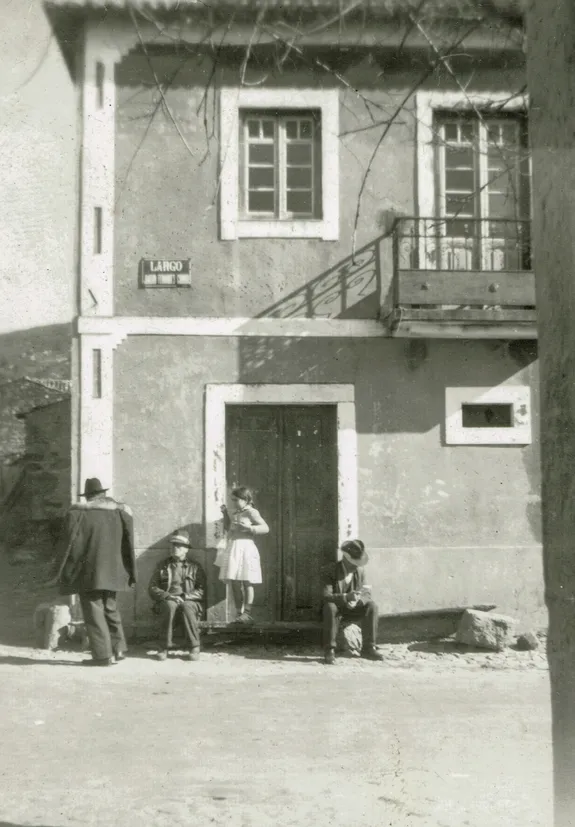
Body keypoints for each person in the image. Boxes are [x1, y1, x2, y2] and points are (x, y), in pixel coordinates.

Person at [52, 477, 136, 667]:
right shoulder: (121, 514)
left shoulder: (77, 515)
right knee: (110, 608)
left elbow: (69, 547)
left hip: (89, 572)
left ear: (88, 496)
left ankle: (102, 656)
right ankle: (119, 648)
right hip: (114, 572)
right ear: (103, 494)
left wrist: (67, 572)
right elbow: (128, 543)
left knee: (94, 612)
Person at [321, 539, 384, 665]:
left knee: (372, 606)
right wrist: (345, 597)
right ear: (345, 558)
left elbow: (366, 593)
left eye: (358, 562)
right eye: (353, 562)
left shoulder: (359, 571)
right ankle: (330, 650)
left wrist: (358, 601)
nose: (356, 565)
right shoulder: (330, 570)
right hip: (336, 611)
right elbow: (326, 596)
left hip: (352, 609)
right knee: (330, 607)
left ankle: (368, 647)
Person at [148, 532, 206, 662]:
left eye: (179, 546)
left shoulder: (195, 566)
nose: (175, 548)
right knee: (169, 606)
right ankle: (163, 647)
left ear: (186, 549)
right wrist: (168, 596)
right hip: (168, 599)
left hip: (190, 600)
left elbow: (201, 590)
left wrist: (185, 596)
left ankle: (194, 646)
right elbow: (152, 588)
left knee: (187, 607)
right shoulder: (162, 565)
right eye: (173, 545)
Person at [216, 486, 269, 624]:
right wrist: (225, 515)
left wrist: (250, 528)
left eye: (236, 500)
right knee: (234, 581)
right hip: (234, 547)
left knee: (247, 581)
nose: (233, 502)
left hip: (246, 548)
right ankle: (239, 612)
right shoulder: (235, 512)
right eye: (232, 500)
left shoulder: (252, 512)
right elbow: (229, 528)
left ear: (245, 499)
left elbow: (265, 528)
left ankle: (247, 612)